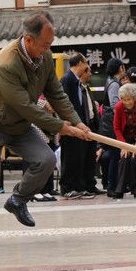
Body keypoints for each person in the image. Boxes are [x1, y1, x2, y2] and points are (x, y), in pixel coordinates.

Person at [0, 12, 90, 248]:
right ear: (28, 40)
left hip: (19, 123)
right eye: (45, 44)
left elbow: (56, 94)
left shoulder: (44, 57)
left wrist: (76, 122)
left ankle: (17, 200)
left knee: (46, 160)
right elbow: (24, 105)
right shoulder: (7, 62)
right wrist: (61, 127)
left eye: (50, 44)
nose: (48, 49)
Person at [59, 54, 100, 198]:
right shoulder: (67, 79)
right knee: (70, 157)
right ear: (80, 63)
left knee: (80, 158)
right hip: (70, 126)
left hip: (80, 124)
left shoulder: (76, 80)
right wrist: (66, 123)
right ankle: (67, 188)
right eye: (86, 63)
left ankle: (80, 187)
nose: (87, 66)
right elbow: (63, 104)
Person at [99, 58, 125, 197]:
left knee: (114, 155)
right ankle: (111, 187)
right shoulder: (114, 84)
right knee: (115, 156)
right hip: (112, 125)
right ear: (120, 68)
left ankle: (113, 185)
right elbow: (115, 105)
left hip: (109, 124)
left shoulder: (111, 81)